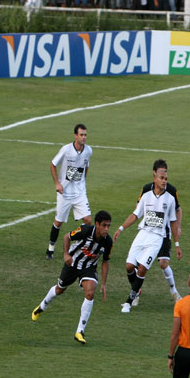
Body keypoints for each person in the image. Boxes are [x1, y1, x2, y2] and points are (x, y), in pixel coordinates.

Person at [32, 211, 113, 345]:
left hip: (89, 268)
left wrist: (104, 283)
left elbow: (105, 261)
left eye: (108, 226)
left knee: (90, 292)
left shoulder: (108, 242)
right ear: (97, 224)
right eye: (104, 225)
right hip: (73, 264)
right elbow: (66, 237)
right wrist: (66, 255)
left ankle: (79, 331)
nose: (106, 229)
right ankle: (42, 306)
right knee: (59, 289)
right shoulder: (86, 230)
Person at [113, 159, 181, 314]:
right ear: (154, 177)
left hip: (157, 237)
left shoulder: (170, 199)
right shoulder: (146, 195)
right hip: (142, 234)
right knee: (129, 266)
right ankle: (136, 291)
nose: (164, 181)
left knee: (143, 268)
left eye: (166, 178)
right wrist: (121, 228)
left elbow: (173, 221)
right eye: (162, 178)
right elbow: (136, 214)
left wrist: (177, 244)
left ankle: (129, 302)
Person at [132, 160, 182, 308]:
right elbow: (139, 206)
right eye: (161, 172)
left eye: (166, 172)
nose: (164, 175)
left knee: (163, 263)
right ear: (154, 173)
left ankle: (174, 292)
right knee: (138, 264)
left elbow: (178, 210)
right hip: (147, 232)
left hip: (164, 232)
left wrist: (177, 227)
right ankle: (135, 293)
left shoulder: (171, 191)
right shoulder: (146, 189)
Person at [46, 124, 93, 260]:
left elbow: (86, 166)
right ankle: (50, 248)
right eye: (81, 135)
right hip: (64, 192)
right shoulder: (66, 150)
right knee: (58, 222)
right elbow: (53, 164)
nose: (84, 137)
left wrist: (82, 182)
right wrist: (57, 183)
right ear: (75, 136)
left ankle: (79, 244)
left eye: (85, 135)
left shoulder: (88, 151)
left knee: (88, 220)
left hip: (79, 192)